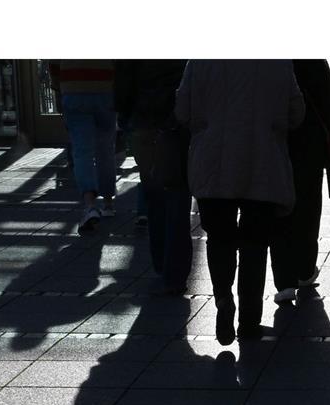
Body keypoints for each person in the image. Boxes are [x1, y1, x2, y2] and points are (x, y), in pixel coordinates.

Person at [175, 60, 304, 345]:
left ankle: (223, 297)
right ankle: (249, 318)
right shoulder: (278, 61)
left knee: (219, 237)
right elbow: (296, 112)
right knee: (255, 243)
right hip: (262, 161)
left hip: (213, 162)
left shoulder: (200, 60)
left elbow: (182, 108)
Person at [115, 60, 192, 297]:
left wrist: (126, 117)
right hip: (178, 122)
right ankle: (175, 273)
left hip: (144, 120)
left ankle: (161, 263)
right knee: (178, 195)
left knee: (155, 194)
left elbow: (123, 80)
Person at [269, 60, 330, 305]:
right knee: (308, 207)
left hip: (274, 141)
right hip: (309, 143)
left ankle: (284, 280)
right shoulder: (314, 60)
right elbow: (328, 106)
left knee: (278, 210)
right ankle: (305, 269)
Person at [50, 60, 117, 233]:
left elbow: (54, 65)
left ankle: (90, 205)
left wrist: (58, 91)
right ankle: (108, 202)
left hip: (73, 91)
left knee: (82, 151)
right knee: (106, 149)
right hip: (105, 90)